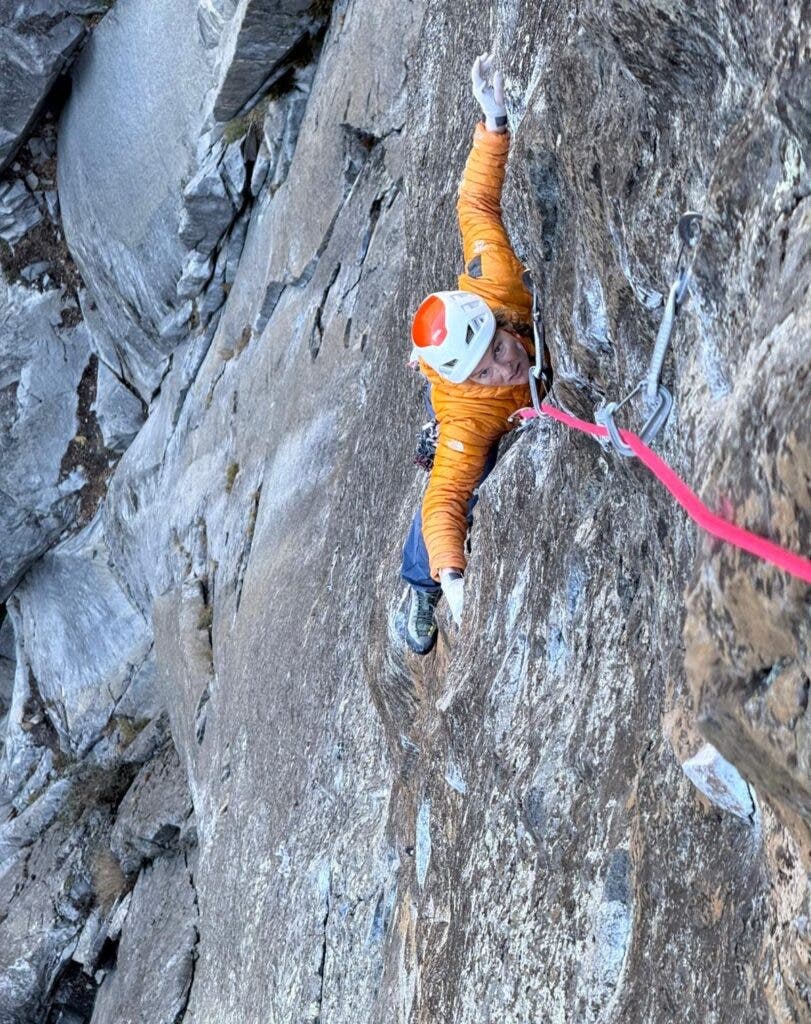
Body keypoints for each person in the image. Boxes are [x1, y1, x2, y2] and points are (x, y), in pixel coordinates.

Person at [401, 52, 547, 655]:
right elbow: (445, 500)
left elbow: (476, 206)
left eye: (498, 347)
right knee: (464, 474)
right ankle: (417, 586)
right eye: (488, 367)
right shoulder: (470, 405)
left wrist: (493, 124)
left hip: (476, 391)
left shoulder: (495, 282)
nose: (505, 364)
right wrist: (449, 571)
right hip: (469, 421)